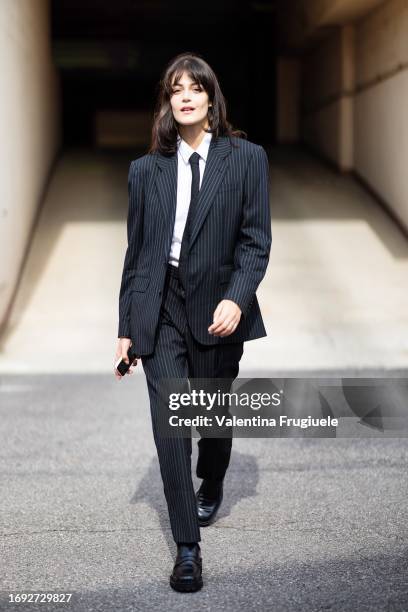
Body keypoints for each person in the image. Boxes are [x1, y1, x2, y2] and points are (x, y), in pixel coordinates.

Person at [113, 51, 272, 592]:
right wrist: (125, 330)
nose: (184, 96)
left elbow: (256, 243)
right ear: (168, 101)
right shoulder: (144, 171)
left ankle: (216, 473)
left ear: (210, 98)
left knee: (211, 417)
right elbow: (137, 256)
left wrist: (237, 297)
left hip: (218, 309)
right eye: (174, 88)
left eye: (194, 87)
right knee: (169, 426)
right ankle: (187, 548)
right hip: (161, 310)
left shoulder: (246, 159)